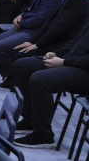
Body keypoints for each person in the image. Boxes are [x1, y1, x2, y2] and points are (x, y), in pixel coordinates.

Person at [12, 16, 89, 148]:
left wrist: (64, 62)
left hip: (84, 72)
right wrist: (57, 54)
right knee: (22, 66)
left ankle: (43, 135)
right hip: (73, 62)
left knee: (40, 80)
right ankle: (31, 119)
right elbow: (76, 43)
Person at [2, 0, 88, 73]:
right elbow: (50, 22)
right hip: (50, 40)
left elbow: (60, 27)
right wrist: (34, 42)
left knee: (14, 54)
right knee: (13, 50)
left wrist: (37, 44)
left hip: (61, 45)